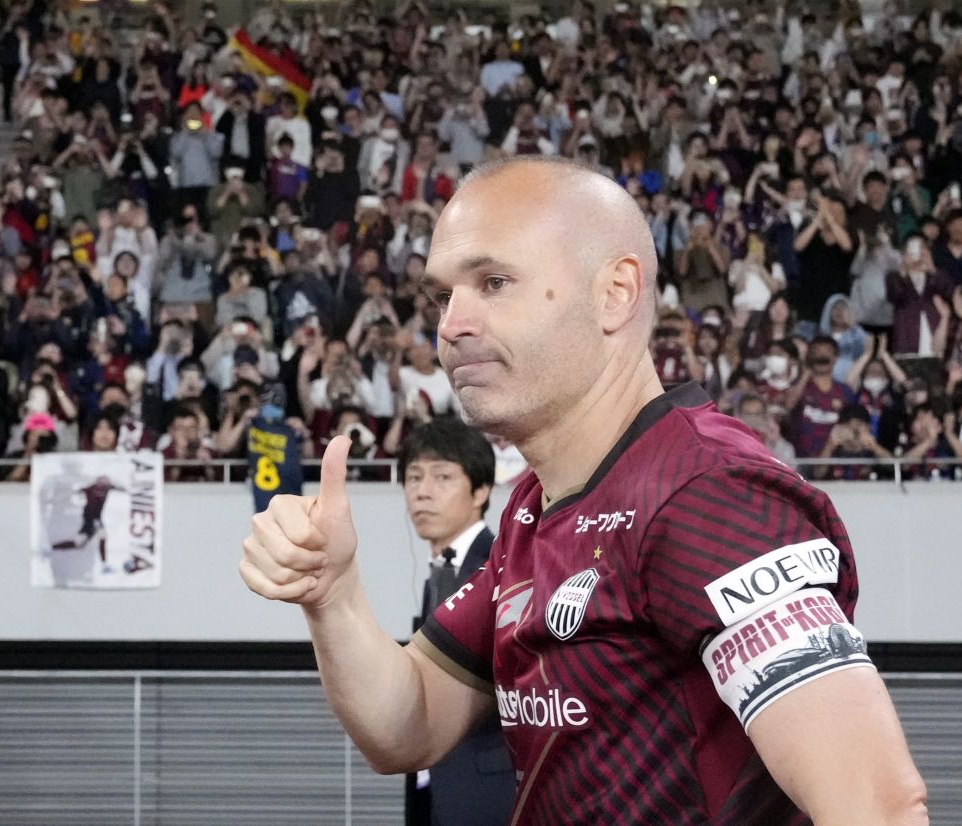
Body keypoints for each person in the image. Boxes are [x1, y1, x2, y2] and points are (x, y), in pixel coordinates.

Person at [241, 157, 926, 824]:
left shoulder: (708, 494)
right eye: (443, 295)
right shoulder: (533, 511)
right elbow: (409, 723)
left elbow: (878, 806)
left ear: (615, 294)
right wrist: (332, 596)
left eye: (495, 281)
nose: (451, 325)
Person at [398, 417, 516, 826]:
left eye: (442, 476)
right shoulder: (437, 573)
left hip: (488, 791)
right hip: (437, 788)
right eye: (413, 477)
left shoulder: (503, 566)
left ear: (481, 489)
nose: (422, 491)